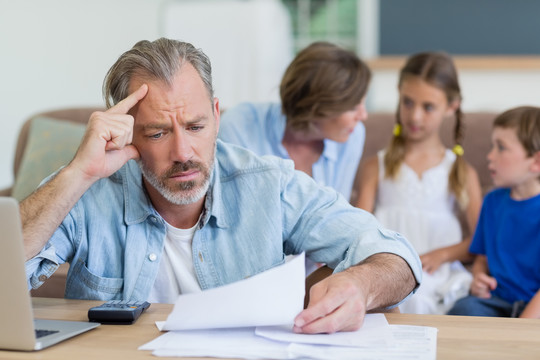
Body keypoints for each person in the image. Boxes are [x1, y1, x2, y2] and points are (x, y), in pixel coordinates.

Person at [21, 38, 421, 334]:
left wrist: (359, 285)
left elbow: (395, 253)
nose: (183, 151)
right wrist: (76, 174)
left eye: (196, 127)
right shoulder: (90, 188)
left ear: (216, 115)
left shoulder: (267, 184)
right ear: (127, 134)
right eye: (158, 133)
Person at [353, 52, 482, 315]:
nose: (415, 117)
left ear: (451, 106)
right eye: (408, 102)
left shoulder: (461, 172)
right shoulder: (374, 166)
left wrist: (441, 255)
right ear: (399, 93)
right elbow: (358, 229)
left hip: (437, 275)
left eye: (428, 107)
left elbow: (481, 239)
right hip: (387, 271)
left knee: (424, 300)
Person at [218, 41, 371, 202]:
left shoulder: (352, 135)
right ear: (316, 106)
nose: (363, 115)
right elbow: (236, 210)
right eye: (353, 107)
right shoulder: (238, 126)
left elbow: (337, 212)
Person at [448, 106, 540, 318]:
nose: (490, 156)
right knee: (463, 309)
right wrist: (479, 278)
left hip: (534, 308)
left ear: (536, 162)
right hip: (496, 302)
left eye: (501, 148)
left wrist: (521, 329)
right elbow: (482, 257)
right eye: (492, 146)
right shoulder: (492, 202)